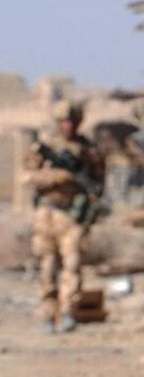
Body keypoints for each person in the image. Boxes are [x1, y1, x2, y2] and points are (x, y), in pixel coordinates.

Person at [24, 101, 105, 332]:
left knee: (73, 264)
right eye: (64, 122)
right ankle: (48, 314)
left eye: (72, 122)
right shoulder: (46, 147)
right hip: (46, 214)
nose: (68, 126)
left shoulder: (88, 149)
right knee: (47, 265)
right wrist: (55, 176)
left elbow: (98, 183)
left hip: (73, 214)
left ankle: (68, 310)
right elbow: (27, 177)